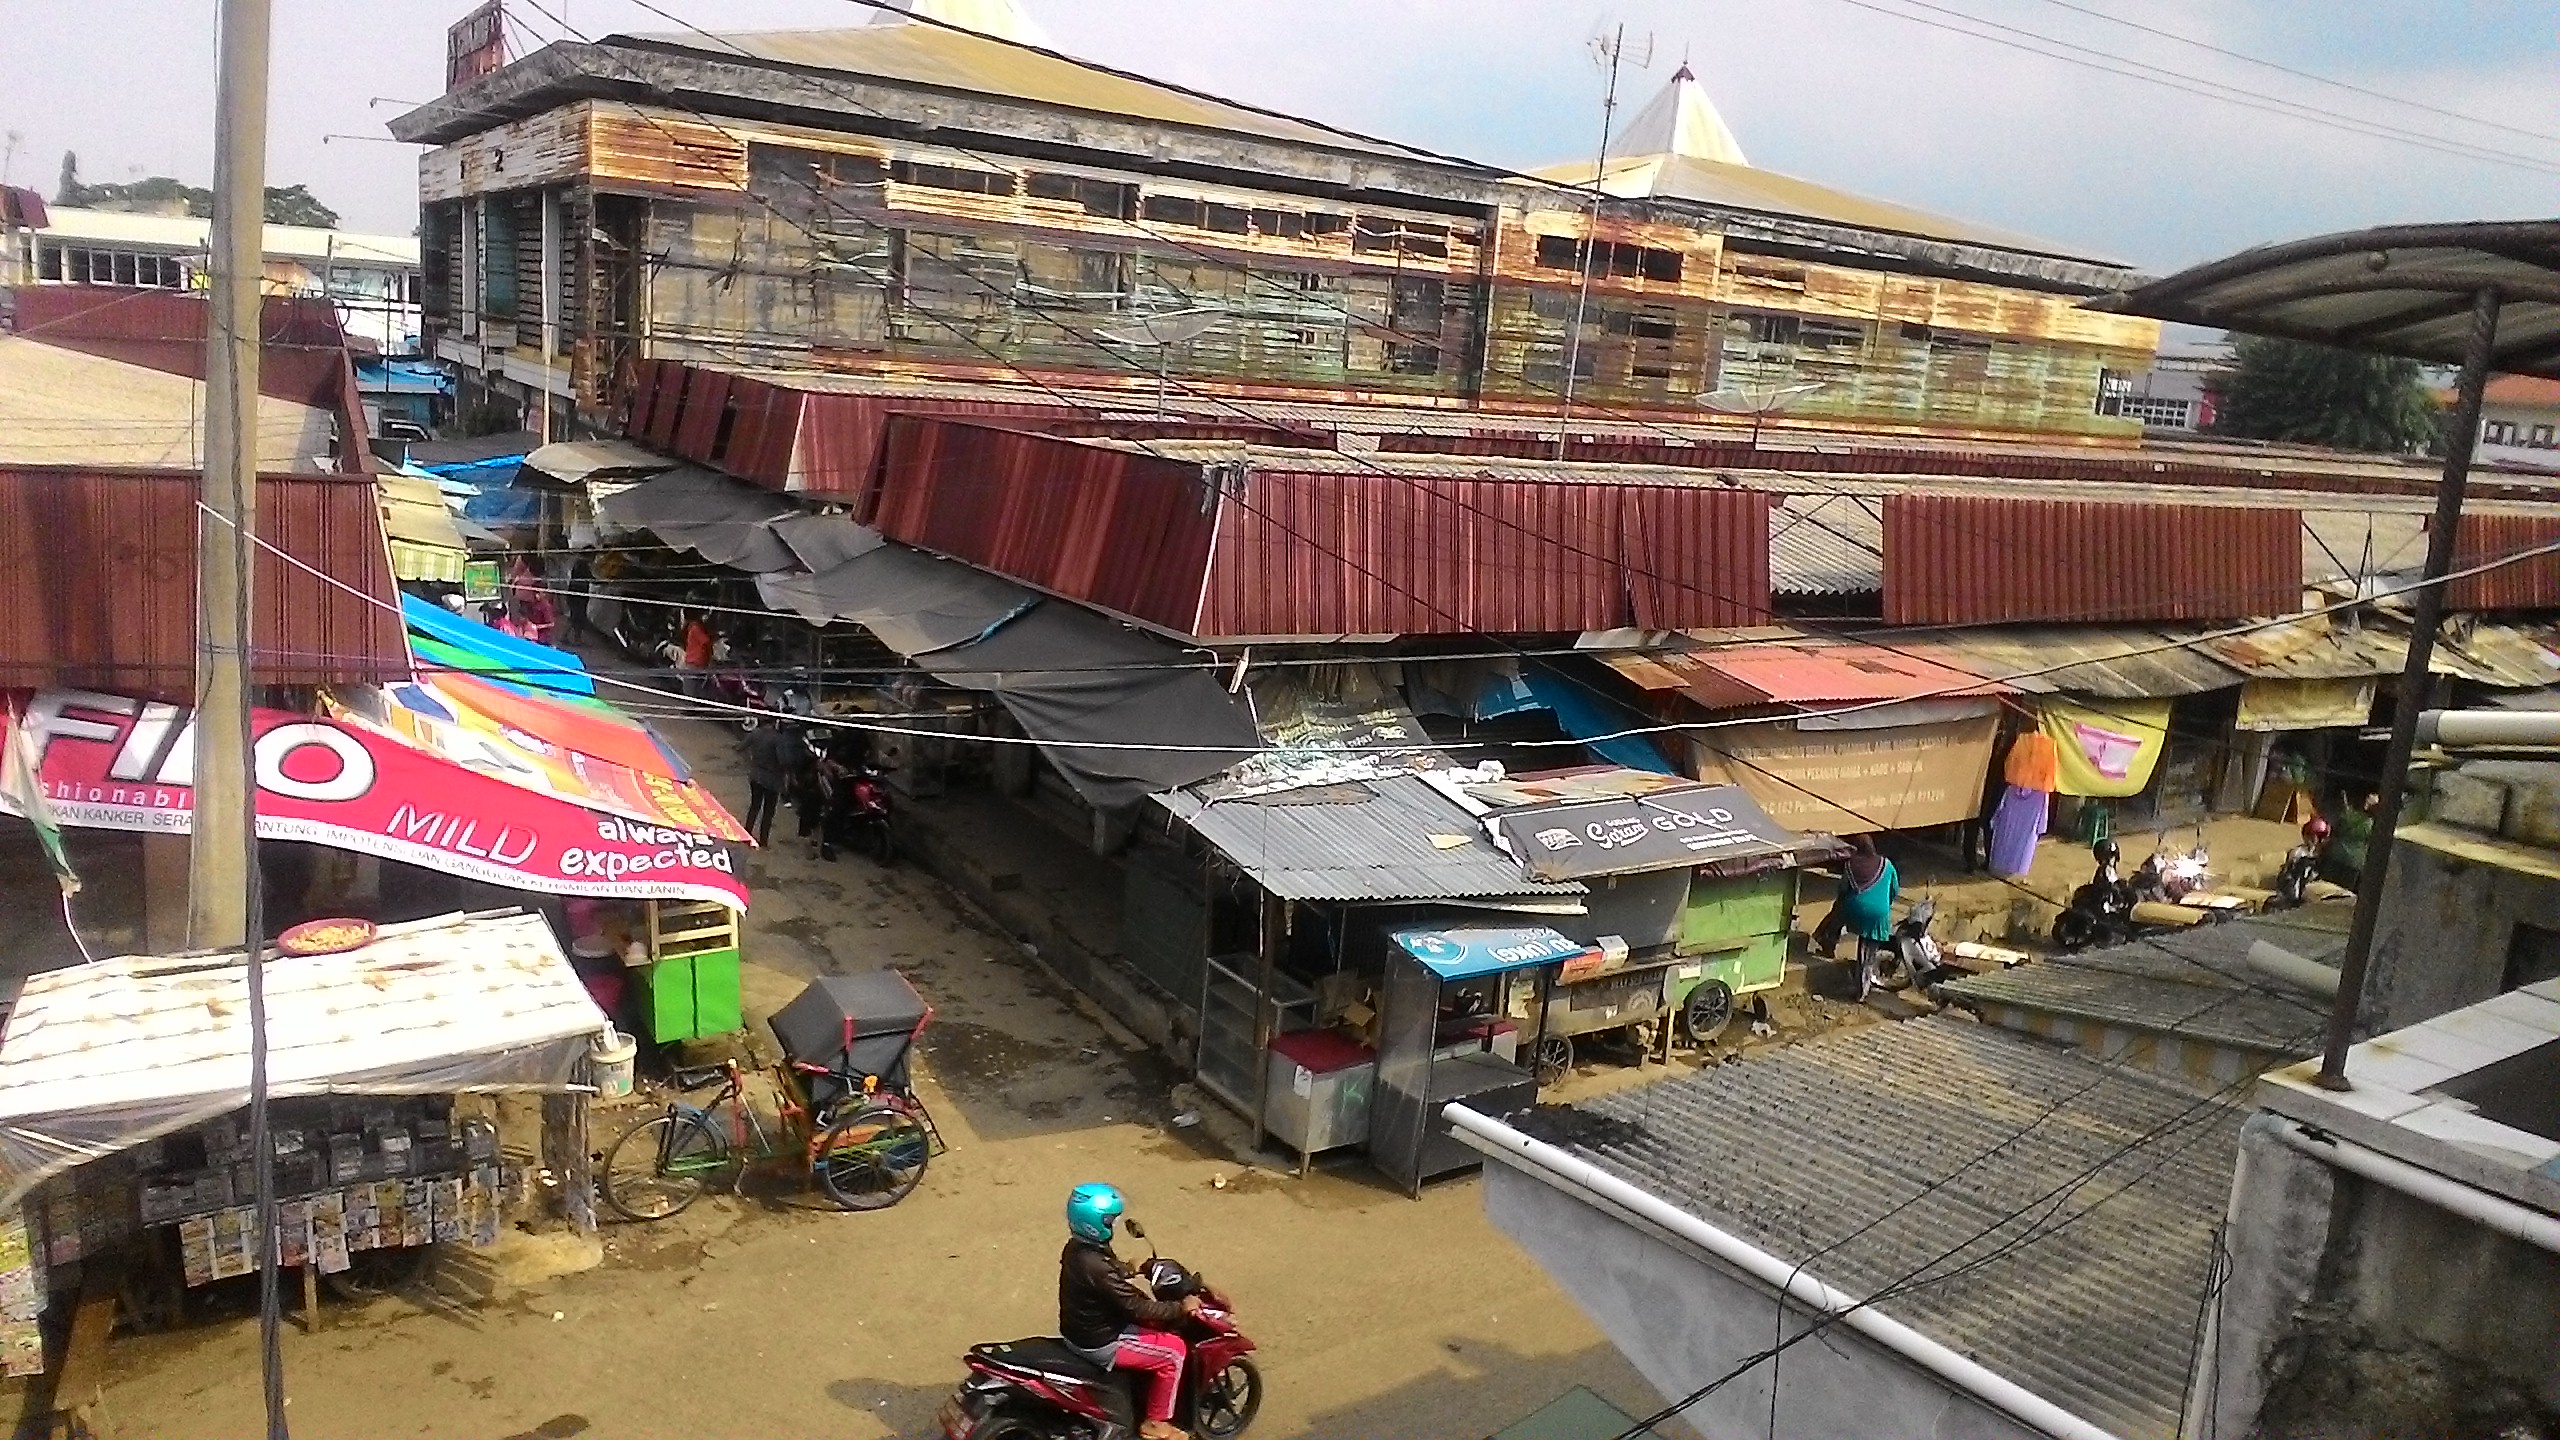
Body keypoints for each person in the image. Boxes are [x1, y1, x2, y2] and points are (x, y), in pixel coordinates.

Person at [1058, 1183, 1197, 1440]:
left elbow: (1099, 1281)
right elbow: (1136, 1307)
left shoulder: (1077, 1249)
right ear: (1094, 1224)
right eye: (1109, 1221)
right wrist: (1180, 1307)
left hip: (1078, 1332)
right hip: (1101, 1341)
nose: (1112, 1225)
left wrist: (1125, 1270)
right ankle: (1155, 1424)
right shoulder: (1096, 1265)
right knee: (1175, 1351)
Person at [742, 723, 797, 848]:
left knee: (754, 806)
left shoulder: (755, 733)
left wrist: (751, 762)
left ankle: (747, 834)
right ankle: (763, 841)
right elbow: (783, 761)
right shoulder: (777, 739)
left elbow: (740, 747)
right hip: (772, 780)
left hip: (756, 775)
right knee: (768, 811)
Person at [678, 613, 716, 699]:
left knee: (693, 688)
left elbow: (706, 641)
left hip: (696, 662)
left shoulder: (695, 628)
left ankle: (692, 707)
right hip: (695, 662)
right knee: (693, 688)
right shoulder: (695, 628)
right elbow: (706, 641)